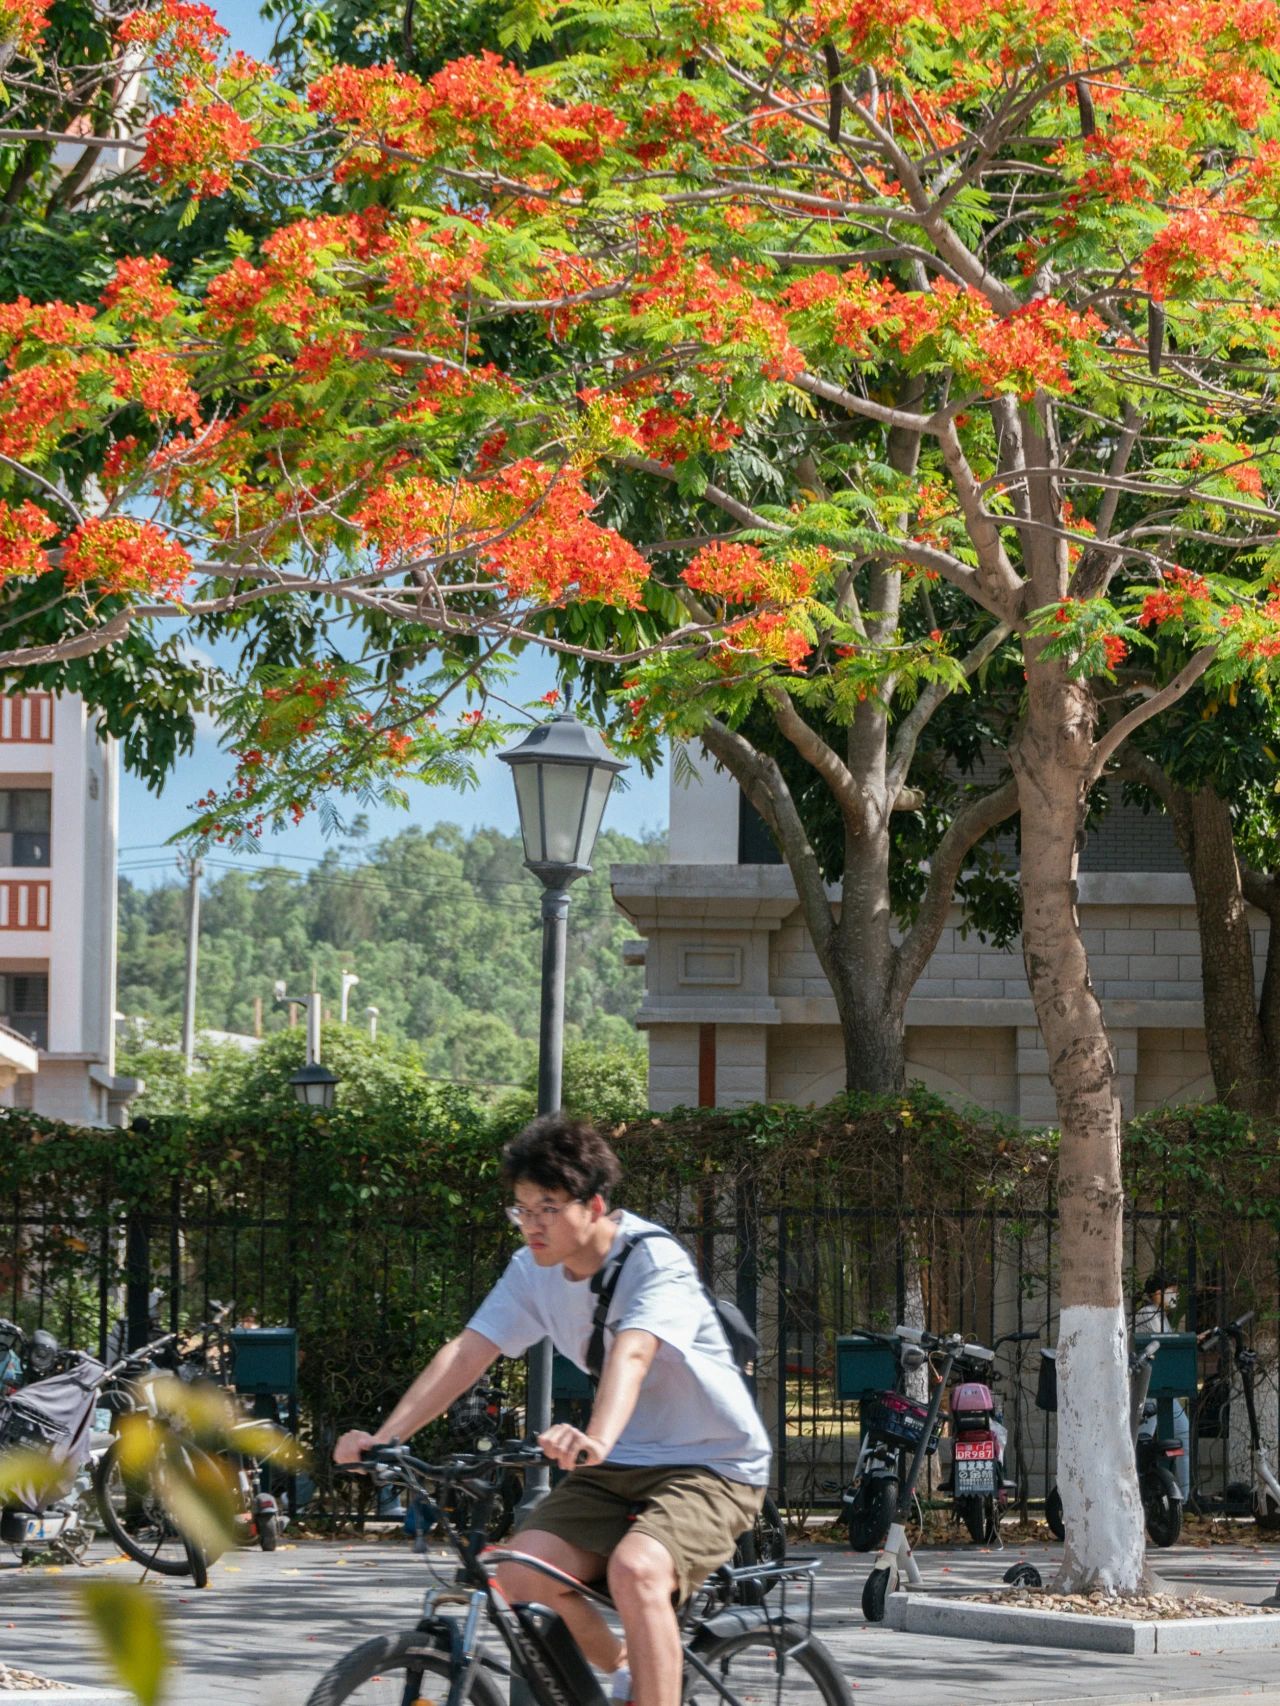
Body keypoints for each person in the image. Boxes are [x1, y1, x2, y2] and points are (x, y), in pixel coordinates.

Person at [335, 1114, 771, 1706]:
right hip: (618, 1464)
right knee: (512, 1572)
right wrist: (385, 1438)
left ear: (592, 1206)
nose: (531, 1226)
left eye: (547, 1209)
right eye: (521, 1209)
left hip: (712, 1463)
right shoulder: (531, 1272)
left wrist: (595, 1437)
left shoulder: (652, 1260)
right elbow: (468, 1353)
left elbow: (634, 1352)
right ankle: (628, 1666)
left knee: (637, 1570)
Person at [1135, 1270, 1190, 1498]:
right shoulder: (1147, 1314)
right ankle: (1144, 1491)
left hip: (1160, 1387)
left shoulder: (1160, 1315)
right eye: (1172, 1291)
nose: (1175, 1295)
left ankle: (1183, 1495)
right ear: (1158, 1293)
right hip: (1149, 1389)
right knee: (1144, 1440)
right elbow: (1164, 1344)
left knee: (1179, 1431)